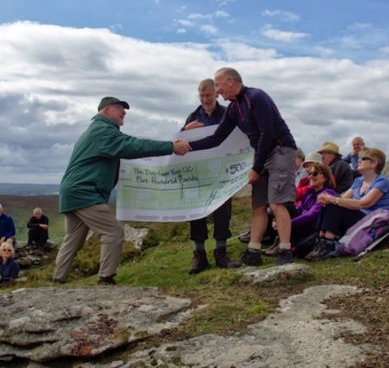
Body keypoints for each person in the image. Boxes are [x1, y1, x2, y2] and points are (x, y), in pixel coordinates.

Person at [53, 97, 191, 285]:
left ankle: (58, 279)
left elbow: (126, 148)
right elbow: (132, 146)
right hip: (85, 192)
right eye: (120, 108)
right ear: (106, 110)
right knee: (114, 232)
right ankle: (106, 279)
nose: (124, 112)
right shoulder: (103, 131)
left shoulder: (97, 131)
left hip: (73, 191)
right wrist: (171, 147)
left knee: (74, 240)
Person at [188, 67, 297, 265]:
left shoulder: (256, 97)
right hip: (262, 155)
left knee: (277, 203)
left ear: (230, 81)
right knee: (258, 205)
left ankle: (285, 250)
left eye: (219, 85)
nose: (218, 90)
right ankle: (253, 252)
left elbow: (267, 133)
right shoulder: (232, 109)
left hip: (281, 150)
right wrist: (187, 145)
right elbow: (216, 138)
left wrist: (256, 168)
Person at [182, 79, 235, 274]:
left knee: (223, 212)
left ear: (216, 95)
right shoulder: (193, 116)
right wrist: (185, 131)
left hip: (222, 172)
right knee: (197, 212)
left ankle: (221, 253)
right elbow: (180, 143)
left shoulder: (227, 113)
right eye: (202, 96)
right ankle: (199, 255)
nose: (205, 100)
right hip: (199, 173)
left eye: (209, 96)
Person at [306, 147, 389, 260]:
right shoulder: (359, 181)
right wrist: (328, 200)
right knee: (331, 204)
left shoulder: (382, 181)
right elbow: (343, 198)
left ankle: (328, 244)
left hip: (372, 222)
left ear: (374, 164)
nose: (359, 160)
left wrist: (333, 199)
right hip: (359, 220)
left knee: (334, 203)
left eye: (363, 158)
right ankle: (321, 242)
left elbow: (363, 204)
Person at [266, 162, 336, 257]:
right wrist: (278, 220)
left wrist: (287, 224)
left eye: (315, 173)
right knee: (285, 206)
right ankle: (280, 241)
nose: (311, 176)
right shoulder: (310, 192)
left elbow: (311, 215)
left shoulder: (327, 193)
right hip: (303, 225)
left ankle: (284, 244)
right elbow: (300, 208)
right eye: (309, 174)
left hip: (313, 228)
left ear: (325, 177)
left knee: (300, 248)